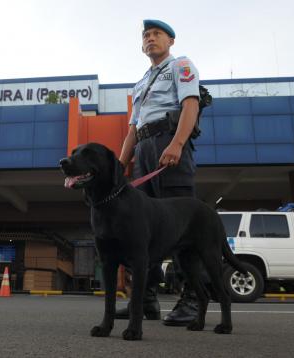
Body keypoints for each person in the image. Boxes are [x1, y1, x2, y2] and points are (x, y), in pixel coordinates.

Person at [117, 19, 200, 326]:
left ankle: (191, 301)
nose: (150, 39)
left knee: (181, 226)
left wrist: (178, 143)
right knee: (141, 230)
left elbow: (190, 104)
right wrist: (120, 165)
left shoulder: (181, 65)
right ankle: (146, 301)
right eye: (146, 36)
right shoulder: (140, 83)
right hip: (143, 150)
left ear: (171, 40)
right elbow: (132, 129)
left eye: (156, 34)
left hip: (169, 142)